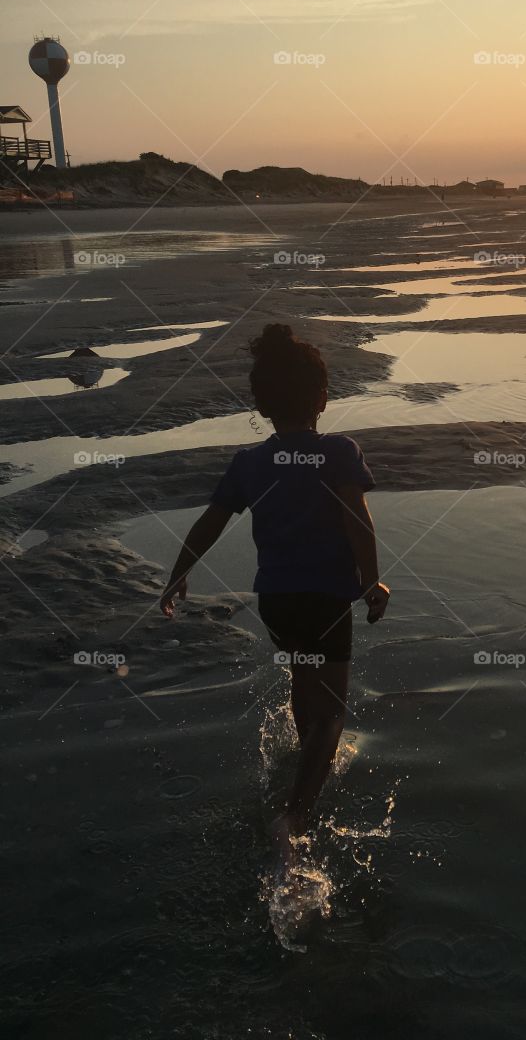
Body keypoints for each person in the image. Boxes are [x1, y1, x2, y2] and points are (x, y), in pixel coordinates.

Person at [159, 323, 389, 867]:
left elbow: (210, 522)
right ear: (322, 398)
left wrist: (178, 573)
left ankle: (306, 760)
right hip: (325, 599)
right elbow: (358, 521)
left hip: (276, 602)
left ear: (261, 405)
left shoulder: (249, 463)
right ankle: (295, 816)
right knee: (333, 713)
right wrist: (371, 581)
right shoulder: (338, 452)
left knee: (303, 677)